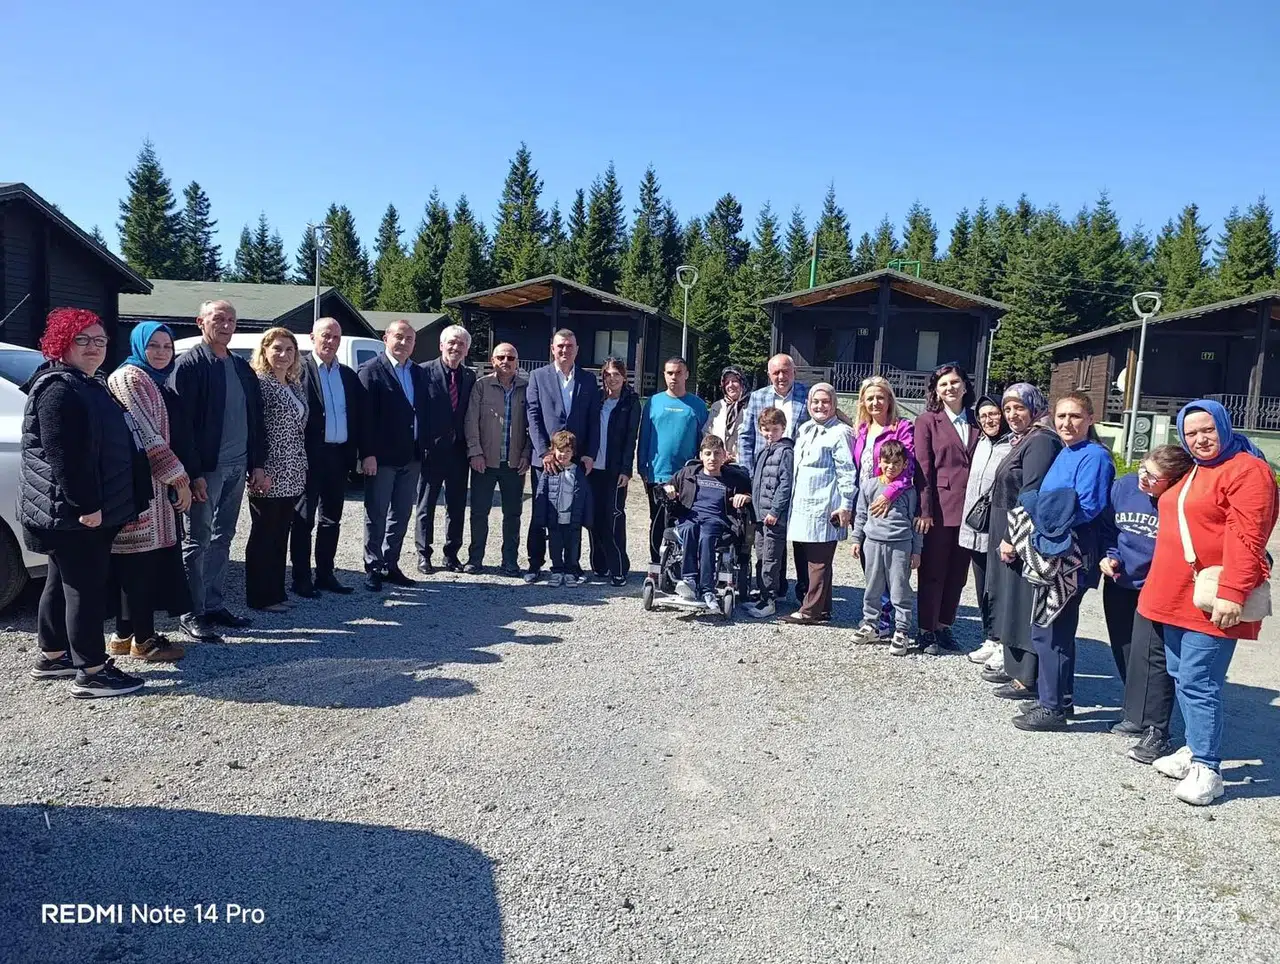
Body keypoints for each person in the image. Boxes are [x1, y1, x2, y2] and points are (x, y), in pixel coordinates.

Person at [1139, 400, 1278, 805]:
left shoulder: (1247, 470)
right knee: (1182, 674)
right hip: (1177, 590)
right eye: (1192, 432)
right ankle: (1193, 747)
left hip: (1212, 595)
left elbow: (1249, 537)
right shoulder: (1197, 468)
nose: (1200, 438)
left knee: (1200, 679)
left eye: (1208, 430)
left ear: (1224, 427)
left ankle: (1208, 766)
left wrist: (1234, 592)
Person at [20, 308, 145, 698]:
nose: (93, 348)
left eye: (100, 341)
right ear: (62, 342)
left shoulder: (85, 382)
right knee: (85, 589)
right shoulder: (60, 389)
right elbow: (66, 458)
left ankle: (53, 655)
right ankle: (91, 671)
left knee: (61, 582)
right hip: (75, 513)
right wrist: (87, 506)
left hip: (72, 512)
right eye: (83, 340)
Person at [1012, 391, 1115, 733]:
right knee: (1053, 628)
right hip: (1051, 549)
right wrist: (1044, 507)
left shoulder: (1095, 457)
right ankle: (1058, 696)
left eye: (1074, 417)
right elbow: (1053, 501)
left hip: (1071, 554)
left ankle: (1052, 707)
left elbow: (1083, 507)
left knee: (1050, 630)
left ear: (1090, 419)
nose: (1067, 423)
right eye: (1061, 417)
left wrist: (1040, 509)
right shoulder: (1067, 452)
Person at [170, 300, 266, 642]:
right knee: (196, 541)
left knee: (223, 538)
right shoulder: (190, 366)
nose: (225, 325)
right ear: (200, 322)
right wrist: (192, 473)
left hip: (238, 467)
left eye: (231, 320)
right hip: (205, 472)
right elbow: (180, 428)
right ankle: (190, 611)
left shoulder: (242, 368)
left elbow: (256, 420)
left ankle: (213, 604)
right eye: (218, 319)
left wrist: (257, 463)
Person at [1099, 445, 1194, 764]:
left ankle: (1158, 730)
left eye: (1153, 476)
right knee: (1126, 648)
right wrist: (1110, 555)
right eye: (1142, 468)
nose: (1143, 478)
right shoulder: (1125, 487)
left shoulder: (1180, 500)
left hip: (1157, 587)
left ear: (1172, 480)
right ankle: (1136, 714)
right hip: (1121, 579)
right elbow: (1109, 528)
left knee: (1153, 658)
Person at [105, 322, 192, 663]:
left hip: (152, 488)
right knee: (138, 564)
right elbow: (146, 434)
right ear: (139, 346)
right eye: (153, 345)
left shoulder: (151, 380)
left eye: (167, 346)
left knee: (141, 562)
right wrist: (179, 477)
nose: (160, 352)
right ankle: (143, 640)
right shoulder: (129, 378)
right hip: (139, 488)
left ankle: (124, 634)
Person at [987, 384, 1062, 699]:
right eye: (1008, 409)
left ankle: (1026, 676)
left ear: (1034, 407)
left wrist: (1009, 537)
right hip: (1006, 521)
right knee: (1008, 597)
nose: (1012, 414)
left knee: (1022, 600)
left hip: (1020, 529)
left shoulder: (1042, 441)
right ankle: (1012, 664)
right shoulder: (1026, 438)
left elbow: (1031, 490)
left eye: (1019, 407)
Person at [291, 317, 368, 596]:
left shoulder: (347, 375)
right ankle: (301, 578)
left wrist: (359, 453)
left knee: (331, 519)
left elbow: (358, 417)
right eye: (326, 335)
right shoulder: (298, 370)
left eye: (336, 337)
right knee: (303, 520)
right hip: (309, 458)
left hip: (338, 457)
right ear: (312, 337)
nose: (331, 341)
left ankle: (325, 573)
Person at [524, 329, 602, 584]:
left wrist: (590, 454)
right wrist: (543, 451)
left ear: (577, 349)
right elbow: (533, 417)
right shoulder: (538, 377)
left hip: (576, 461)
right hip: (546, 461)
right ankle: (535, 564)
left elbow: (593, 420)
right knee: (541, 513)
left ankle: (571, 565)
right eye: (560, 346)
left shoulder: (588, 380)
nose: (565, 350)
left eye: (569, 346)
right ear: (552, 348)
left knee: (572, 514)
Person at [914, 363, 979, 655]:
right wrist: (924, 510)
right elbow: (923, 469)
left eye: (954, 382)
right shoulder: (928, 421)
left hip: (973, 509)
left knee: (958, 573)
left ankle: (944, 625)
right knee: (933, 570)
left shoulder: (979, 420)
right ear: (936, 392)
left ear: (965, 386)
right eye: (943, 385)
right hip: (940, 509)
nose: (950, 388)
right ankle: (926, 628)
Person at [779, 384, 856, 625]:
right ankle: (822, 608)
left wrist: (846, 504)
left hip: (825, 505)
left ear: (833, 404)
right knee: (806, 558)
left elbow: (847, 472)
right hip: (802, 505)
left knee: (819, 562)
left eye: (825, 402)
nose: (820, 406)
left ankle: (810, 611)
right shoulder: (804, 429)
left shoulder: (841, 432)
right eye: (815, 402)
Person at [359, 320, 427, 591]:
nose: (404, 343)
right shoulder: (371, 371)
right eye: (399, 337)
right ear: (386, 338)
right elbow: (365, 419)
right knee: (376, 512)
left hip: (411, 456)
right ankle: (373, 565)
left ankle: (391, 564)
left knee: (400, 513)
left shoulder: (418, 373)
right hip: (381, 457)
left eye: (409, 339)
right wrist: (368, 454)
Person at [246, 328, 309, 612]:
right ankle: (260, 596)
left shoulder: (293, 384)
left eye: (289, 350)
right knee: (264, 534)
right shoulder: (259, 383)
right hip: (268, 472)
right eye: (277, 349)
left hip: (293, 470)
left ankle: (276, 592)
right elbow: (256, 429)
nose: (283, 355)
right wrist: (259, 467)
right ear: (265, 350)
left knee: (281, 532)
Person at [739, 353, 811, 602]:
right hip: (766, 478)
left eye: (785, 371)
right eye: (776, 372)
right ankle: (775, 588)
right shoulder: (757, 397)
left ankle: (805, 592)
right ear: (769, 374)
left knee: (800, 538)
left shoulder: (807, 395)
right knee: (769, 536)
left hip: (799, 477)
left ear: (794, 372)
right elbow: (746, 437)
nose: (781, 376)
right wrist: (749, 475)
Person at [850, 376, 916, 633]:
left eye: (881, 397)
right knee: (872, 564)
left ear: (889, 400)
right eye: (870, 398)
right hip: (868, 498)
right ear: (863, 402)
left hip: (892, 500)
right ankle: (876, 614)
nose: (875, 402)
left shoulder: (901, 427)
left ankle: (890, 618)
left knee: (893, 567)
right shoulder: (863, 430)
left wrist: (888, 494)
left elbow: (908, 467)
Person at [664, 434, 753, 611]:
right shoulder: (688, 473)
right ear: (701, 455)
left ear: (724, 455)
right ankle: (689, 580)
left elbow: (752, 494)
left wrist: (746, 497)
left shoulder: (734, 477)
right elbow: (665, 487)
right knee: (689, 528)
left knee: (706, 536)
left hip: (717, 519)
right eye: (708, 454)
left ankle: (707, 589)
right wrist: (668, 489)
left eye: (717, 454)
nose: (712, 458)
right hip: (690, 516)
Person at [850, 439, 922, 655]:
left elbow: (915, 523)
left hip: (900, 545)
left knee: (900, 589)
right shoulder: (869, 486)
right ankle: (871, 624)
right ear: (879, 462)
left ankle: (901, 630)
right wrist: (856, 539)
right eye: (887, 462)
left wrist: (916, 550)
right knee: (873, 586)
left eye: (896, 463)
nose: (891, 467)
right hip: (872, 544)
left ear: (904, 464)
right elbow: (861, 514)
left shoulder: (909, 491)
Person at [464, 342, 530, 577]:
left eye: (510, 358)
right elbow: (471, 421)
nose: (506, 361)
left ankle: (510, 561)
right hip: (485, 462)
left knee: (513, 515)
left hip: (514, 464)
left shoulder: (526, 388)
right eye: (501, 357)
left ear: (517, 362)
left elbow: (533, 425)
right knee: (479, 512)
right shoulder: (481, 386)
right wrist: (475, 452)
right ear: (493, 360)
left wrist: (526, 454)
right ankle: (475, 559)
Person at [416, 324, 476, 574]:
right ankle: (423, 554)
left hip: (459, 452)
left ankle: (451, 554)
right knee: (426, 505)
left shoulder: (470, 376)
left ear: (467, 350)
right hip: (432, 451)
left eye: (461, 344)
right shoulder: (423, 372)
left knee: (456, 505)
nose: (455, 347)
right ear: (441, 345)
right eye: (451, 342)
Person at [638, 357, 709, 565]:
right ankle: (656, 564)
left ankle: (682, 564)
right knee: (658, 520)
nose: (674, 377)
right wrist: (642, 466)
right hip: (658, 473)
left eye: (678, 373)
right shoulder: (654, 402)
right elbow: (644, 437)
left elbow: (702, 441)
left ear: (686, 374)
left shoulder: (697, 405)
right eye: (669, 373)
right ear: (664, 375)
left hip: (687, 476)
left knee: (685, 520)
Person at [959, 396, 1012, 666]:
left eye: (994, 414)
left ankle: (1004, 643)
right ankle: (990, 637)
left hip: (1000, 530)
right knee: (982, 588)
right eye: (983, 416)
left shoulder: (1013, 444)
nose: (989, 420)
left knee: (1000, 586)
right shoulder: (979, 442)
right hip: (975, 528)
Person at [589, 356, 641, 586]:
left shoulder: (630, 402)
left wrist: (626, 470)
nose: (612, 379)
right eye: (608, 375)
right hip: (593, 469)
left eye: (616, 374)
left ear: (624, 376)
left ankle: (619, 567)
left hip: (615, 470)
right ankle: (599, 566)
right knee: (594, 517)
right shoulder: (597, 399)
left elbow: (631, 438)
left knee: (613, 517)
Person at [747, 407, 795, 619]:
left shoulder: (785, 452)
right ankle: (771, 592)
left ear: (783, 428)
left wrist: (775, 510)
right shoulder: (764, 451)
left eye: (774, 429)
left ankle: (769, 600)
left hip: (773, 516)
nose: (770, 433)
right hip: (760, 514)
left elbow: (785, 484)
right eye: (766, 429)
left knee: (770, 558)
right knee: (762, 555)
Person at [532, 430, 594, 587]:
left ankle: (570, 571)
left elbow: (586, 497)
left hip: (573, 519)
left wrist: (587, 519)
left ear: (573, 452)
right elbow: (541, 494)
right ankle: (557, 571)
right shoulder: (549, 471)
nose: (563, 455)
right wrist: (541, 517)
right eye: (560, 451)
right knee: (555, 546)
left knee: (573, 546)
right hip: (555, 518)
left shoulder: (579, 472)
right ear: (553, 450)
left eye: (568, 451)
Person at [707, 366, 749, 462]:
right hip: (718, 463)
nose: (730, 385)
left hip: (743, 464)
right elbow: (708, 434)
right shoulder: (717, 407)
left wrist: (736, 457)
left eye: (734, 381)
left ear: (742, 382)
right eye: (726, 382)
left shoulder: (752, 406)